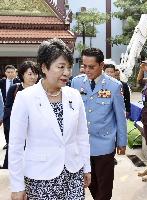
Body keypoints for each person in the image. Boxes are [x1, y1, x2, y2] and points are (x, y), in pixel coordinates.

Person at [8, 38, 91, 200]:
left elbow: (82, 136)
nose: (67, 72)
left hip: (73, 173)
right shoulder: (26, 98)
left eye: (69, 67)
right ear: (44, 67)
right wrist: (17, 186)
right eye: (61, 67)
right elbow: (16, 145)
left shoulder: (74, 95)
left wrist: (86, 167)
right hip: (40, 177)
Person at [71, 48, 127, 200]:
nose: (87, 70)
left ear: (101, 65)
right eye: (84, 66)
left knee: (105, 186)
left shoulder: (114, 86)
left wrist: (121, 142)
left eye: (91, 66)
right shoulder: (76, 83)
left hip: (104, 144)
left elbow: (120, 116)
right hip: (82, 144)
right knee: (91, 183)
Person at [1, 61, 39, 170]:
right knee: (15, 155)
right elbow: (8, 109)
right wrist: (10, 127)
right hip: (17, 129)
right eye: (30, 74)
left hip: (34, 131)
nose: (33, 77)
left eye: (35, 74)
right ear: (22, 74)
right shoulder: (15, 88)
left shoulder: (40, 90)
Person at [0, 65, 20, 150]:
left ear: (15, 73)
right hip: (4, 107)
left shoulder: (19, 82)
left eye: (12, 72)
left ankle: (16, 143)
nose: (10, 74)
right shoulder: (1, 82)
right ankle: (8, 143)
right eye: (8, 72)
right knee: (6, 127)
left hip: (16, 108)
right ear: (5, 73)